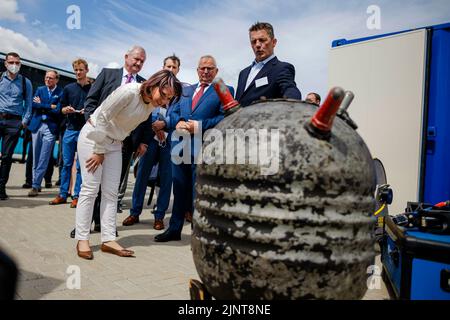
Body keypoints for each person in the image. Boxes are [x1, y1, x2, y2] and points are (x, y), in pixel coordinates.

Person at [75, 69, 182, 260]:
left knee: (111, 192)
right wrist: (99, 150)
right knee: (90, 189)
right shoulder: (129, 91)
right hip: (93, 137)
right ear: (154, 84)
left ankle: (108, 239)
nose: (164, 102)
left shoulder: (150, 104)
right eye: (164, 95)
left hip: (116, 143)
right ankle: (82, 238)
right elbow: (103, 116)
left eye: (169, 99)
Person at [69, 45, 148, 238]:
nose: (138, 63)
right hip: (99, 135)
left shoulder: (144, 85)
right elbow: (91, 99)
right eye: (136, 59)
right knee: (91, 184)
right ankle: (84, 226)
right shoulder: (108, 74)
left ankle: (104, 227)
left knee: (111, 187)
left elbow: (147, 119)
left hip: (125, 142)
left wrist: (143, 141)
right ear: (126, 57)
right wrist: (91, 120)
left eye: (142, 61)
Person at [154, 55, 234, 242]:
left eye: (210, 68)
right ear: (197, 70)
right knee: (179, 190)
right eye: (202, 68)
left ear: (216, 71)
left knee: (198, 192)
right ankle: (174, 230)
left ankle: (199, 235)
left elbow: (225, 118)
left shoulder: (224, 90)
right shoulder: (184, 90)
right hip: (179, 147)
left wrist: (198, 126)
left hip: (204, 148)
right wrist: (179, 122)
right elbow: (172, 114)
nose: (205, 72)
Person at [123, 55, 181, 230]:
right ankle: (135, 212)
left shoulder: (180, 92)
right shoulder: (152, 85)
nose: (170, 69)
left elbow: (181, 115)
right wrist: (155, 126)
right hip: (150, 140)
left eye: (174, 67)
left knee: (166, 179)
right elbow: (146, 110)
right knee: (141, 176)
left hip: (170, 142)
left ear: (178, 70)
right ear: (163, 67)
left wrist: (166, 124)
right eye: (168, 66)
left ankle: (159, 216)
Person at [49, 59, 91, 208]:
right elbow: (59, 107)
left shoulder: (92, 89)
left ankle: (77, 195)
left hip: (85, 132)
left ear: (87, 70)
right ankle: (62, 194)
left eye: (81, 70)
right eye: (76, 70)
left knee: (80, 166)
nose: (78, 73)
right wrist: (64, 110)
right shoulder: (68, 88)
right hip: (70, 130)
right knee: (66, 163)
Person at [235, 22, 302, 107]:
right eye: (253, 41)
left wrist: (292, 103)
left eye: (262, 40)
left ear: (273, 42)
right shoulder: (243, 73)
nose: (258, 45)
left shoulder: (282, 68)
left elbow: (289, 88)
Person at [0, 52, 33, 200]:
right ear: (5, 63)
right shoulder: (0, 78)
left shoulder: (26, 82)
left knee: (7, 157)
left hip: (14, 122)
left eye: (17, 63)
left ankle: (1, 188)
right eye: (11, 62)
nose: (14, 65)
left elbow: (29, 104)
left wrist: (24, 122)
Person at [27, 70, 63, 197]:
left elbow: (58, 110)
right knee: (35, 157)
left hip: (50, 128)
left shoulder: (60, 92)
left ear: (56, 80)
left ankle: (35, 186)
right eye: (46, 77)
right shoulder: (40, 89)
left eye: (51, 78)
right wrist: (49, 106)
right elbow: (33, 105)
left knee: (44, 157)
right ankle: (35, 182)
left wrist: (42, 105)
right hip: (37, 126)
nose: (48, 80)